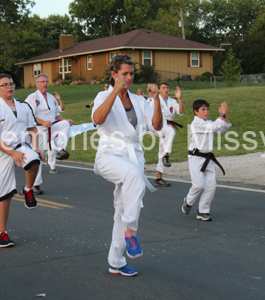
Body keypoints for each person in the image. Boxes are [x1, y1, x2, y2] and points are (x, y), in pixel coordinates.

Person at [92, 55, 163, 277]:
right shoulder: (104, 95)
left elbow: (157, 126)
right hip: (109, 155)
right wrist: (115, 91)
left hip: (133, 156)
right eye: (124, 74)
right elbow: (98, 119)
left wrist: (157, 100)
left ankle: (116, 261)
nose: (129, 77)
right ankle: (131, 232)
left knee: (122, 209)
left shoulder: (140, 101)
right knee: (133, 177)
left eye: (132, 74)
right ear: (114, 74)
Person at [0, 73, 43, 247]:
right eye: (5, 85)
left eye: (11, 84)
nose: (10, 87)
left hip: (21, 145)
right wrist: (11, 153)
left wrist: (36, 146)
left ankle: (28, 189)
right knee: (6, 193)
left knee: (34, 159)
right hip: (1, 151)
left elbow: (33, 128)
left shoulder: (23, 106)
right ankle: (2, 234)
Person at [182, 99, 231, 221]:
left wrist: (225, 115)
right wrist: (221, 115)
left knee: (211, 185)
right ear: (196, 112)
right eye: (203, 109)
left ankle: (203, 211)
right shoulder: (196, 123)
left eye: (208, 109)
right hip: (195, 158)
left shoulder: (209, 122)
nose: (206, 112)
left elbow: (223, 128)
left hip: (207, 158)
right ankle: (188, 202)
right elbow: (214, 127)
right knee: (199, 185)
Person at [25, 74, 73, 190]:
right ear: (37, 84)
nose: (45, 83)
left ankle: (60, 150)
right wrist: (42, 122)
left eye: (46, 81)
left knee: (65, 124)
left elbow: (57, 115)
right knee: (37, 156)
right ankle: (35, 184)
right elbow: (28, 115)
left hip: (52, 127)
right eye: (42, 81)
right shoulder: (32, 97)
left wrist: (66, 120)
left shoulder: (51, 98)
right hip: (38, 131)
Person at [147, 81, 184, 187]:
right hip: (157, 125)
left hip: (167, 126)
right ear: (159, 90)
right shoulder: (154, 100)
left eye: (167, 87)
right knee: (171, 131)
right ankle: (166, 155)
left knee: (162, 150)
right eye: (163, 88)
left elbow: (181, 112)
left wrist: (179, 98)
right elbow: (147, 111)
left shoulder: (172, 101)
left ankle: (159, 178)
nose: (166, 89)